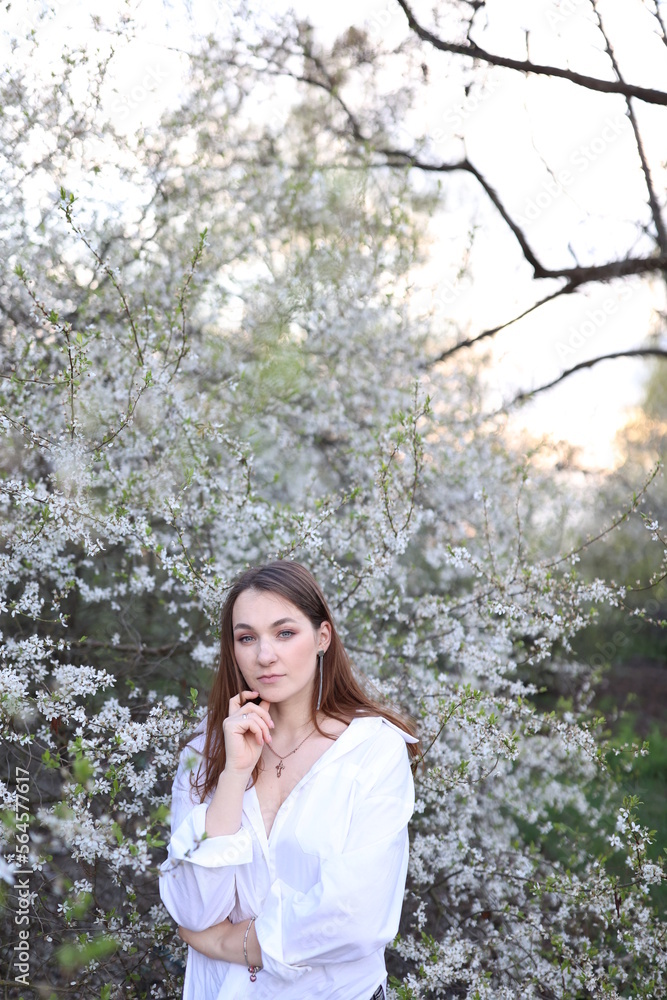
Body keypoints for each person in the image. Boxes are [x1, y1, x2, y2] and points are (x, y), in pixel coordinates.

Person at [159, 560, 419, 1000]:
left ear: (322, 637)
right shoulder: (204, 753)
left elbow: (355, 918)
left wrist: (231, 943)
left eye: (284, 633)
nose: (265, 655)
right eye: (247, 638)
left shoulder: (372, 750)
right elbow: (192, 910)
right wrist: (234, 774)